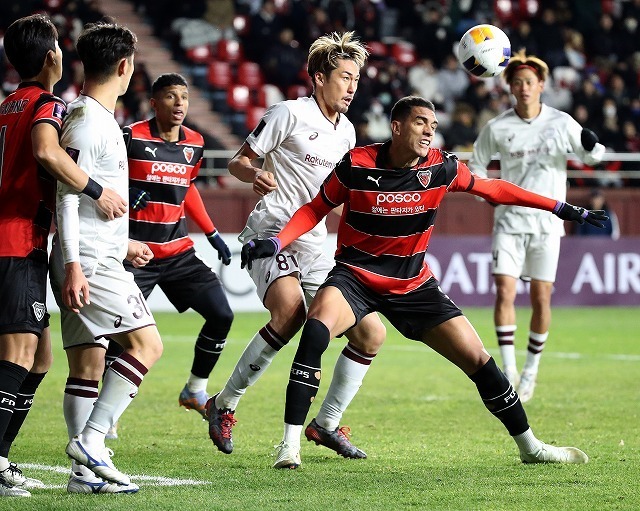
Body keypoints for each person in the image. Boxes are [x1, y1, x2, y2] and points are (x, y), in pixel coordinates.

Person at [241, 96, 605, 469]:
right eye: (420, 123)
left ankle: (532, 447)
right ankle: (289, 446)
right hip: (355, 277)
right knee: (315, 330)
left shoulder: (441, 167)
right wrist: (276, 241)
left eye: (433, 124)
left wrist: (563, 208)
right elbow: (315, 209)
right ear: (396, 127)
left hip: (412, 284)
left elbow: (493, 188)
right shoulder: (357, 164)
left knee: (480, 361)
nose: (430, 130)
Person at [205, 31, 387, 466]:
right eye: (345, 77)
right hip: (270, 233)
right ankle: (224, 403)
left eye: (357, 80)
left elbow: (337, 199)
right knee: (289, 314)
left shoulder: (347, 132)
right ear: (320, 77)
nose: (351, 87)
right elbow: (238, 161)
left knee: (371, 333)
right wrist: (254, 176)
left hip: (315, 243)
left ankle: (327, 423)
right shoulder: (288, 113)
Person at [0, 14, 127, 498]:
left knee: (40, 359)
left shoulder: (7, 104)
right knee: (19, 354)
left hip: (17, 243)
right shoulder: (46, 104)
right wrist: (97, 190)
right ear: (53, 56)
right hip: (16, 240)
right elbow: (48, 154)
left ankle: (3, 457)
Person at [49, 21, 163, 494]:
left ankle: (82, 476)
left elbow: (93, 199)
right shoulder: (88, 121)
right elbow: (66, 194)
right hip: (89, 264)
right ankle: (93, 442)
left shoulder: (93, 117)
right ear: (125, 66)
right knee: (146, 346)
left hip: (96, 254)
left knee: (87, 366)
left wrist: (125, 242)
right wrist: (75, 263)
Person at [467, 50, 605, 403]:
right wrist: (489, 195)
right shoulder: (497, 127)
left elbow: (591, 156)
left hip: (548, 223)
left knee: (542, 297)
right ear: (510, 87)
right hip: (510, 222)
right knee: (504, 291)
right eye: (517, 82)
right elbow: (475, 169)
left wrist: (592, 145)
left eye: (529, 81)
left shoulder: (561, 122)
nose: (524, 87)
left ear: (541, 85)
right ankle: (510, 370)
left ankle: (531, 371)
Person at [103, 72, 233, 431]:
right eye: (172, 97)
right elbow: (107, 182)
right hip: (136, 255)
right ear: (154, 103)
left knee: (221, 314)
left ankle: (195, 389)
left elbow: (188, 188)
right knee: (119, 335)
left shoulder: (195, 144)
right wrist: (127, 196)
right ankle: (106, 415)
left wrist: (213, 233)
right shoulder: (129, 137)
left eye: (184, 98)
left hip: (178, 253)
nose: (180, 105)